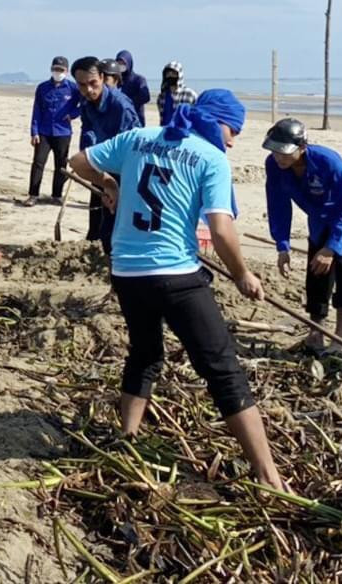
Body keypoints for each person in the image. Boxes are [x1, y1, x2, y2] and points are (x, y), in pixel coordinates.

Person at [68, 123, 284, 490]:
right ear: (217, 123)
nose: (233, 140)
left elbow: (78, 161)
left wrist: (110, 184)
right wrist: (242, 273)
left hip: (127, 269)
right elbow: (220, 229)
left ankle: (128, 438)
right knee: (222, 368)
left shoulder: (137, 137)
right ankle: (268, 473)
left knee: (145, 353)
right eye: (234, 130)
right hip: (176, 275)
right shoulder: (211, 158)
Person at [263, 118, 342, 353]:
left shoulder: (327, 161)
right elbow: (277, 204)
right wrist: (283, 245)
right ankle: (316, 333)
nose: (279, 157)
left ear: (301, 147)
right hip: (319, 219)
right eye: (274, 150)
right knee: (316, 274)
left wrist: (332, 247)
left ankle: (339, 339)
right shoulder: (274, 166)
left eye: (284, 152)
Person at [74, 56, 140, 254]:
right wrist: (86, 158)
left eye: (93, 83)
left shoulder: (121, 106)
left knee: (118, 228)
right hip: (103, 166)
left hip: (127, 168)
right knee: (106, 229)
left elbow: (133, 146)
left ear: (102, 78)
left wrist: (117, 183)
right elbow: (87, 131)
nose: (89, 90)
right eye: (82, 85)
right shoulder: (86, 103)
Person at [23, 56, 80, 206]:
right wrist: (34, 131)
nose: (58, 72)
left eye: (61, 70)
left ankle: (57, 195)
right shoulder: (42, 88)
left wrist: (73, 114)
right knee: (38, 163)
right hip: (44, 131)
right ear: (51, 69)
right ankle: (33, 194)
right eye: (55, 69)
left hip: (63, 132)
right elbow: (37, 110)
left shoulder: (73, 88)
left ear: (66, 71)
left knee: (61, 165)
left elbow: (85, 103)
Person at [115, 49, 152, 126]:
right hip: (118, 119)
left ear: (129, 63)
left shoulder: (138, 80)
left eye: (123, 63)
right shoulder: (115, 80)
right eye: (118, 63)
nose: (121, 66)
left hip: (136, 118)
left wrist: (128, 102)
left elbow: (146, 97)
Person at [157, 61, 197, 126]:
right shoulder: (162, 96)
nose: (170, 75)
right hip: (166, 131)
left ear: (179, 75)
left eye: (173, 73)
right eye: (168, 73)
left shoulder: (190, 94)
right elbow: (162, 117)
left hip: (184, 131)